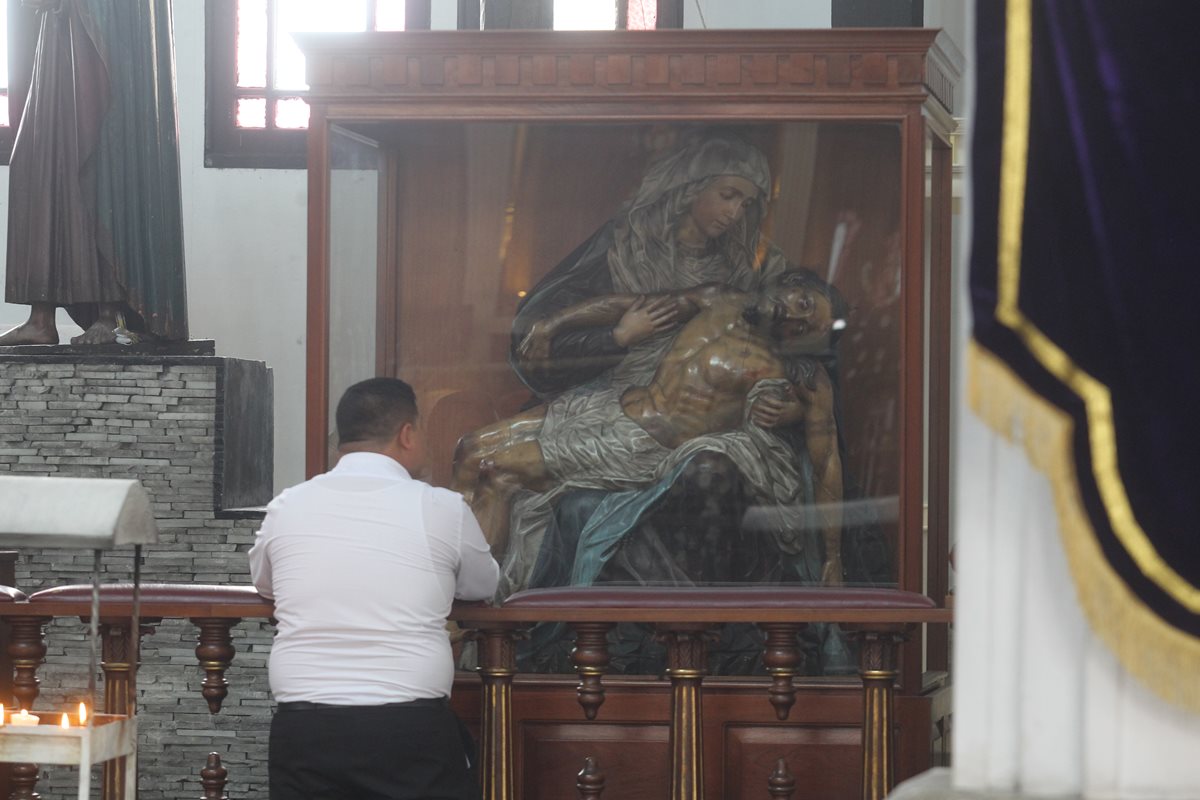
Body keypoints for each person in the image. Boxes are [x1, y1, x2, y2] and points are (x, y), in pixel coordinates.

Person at [455, 270, 848, 590]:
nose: (793, 318)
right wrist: (551, 324)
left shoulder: (795, 375)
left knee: (496, 472)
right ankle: (449, 601)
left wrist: (832, 558)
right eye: (803, 304)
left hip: (638, 444)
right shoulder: (720, 297)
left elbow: (826, 459)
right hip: (604, 406)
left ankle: (478, 618)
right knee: (469, 449)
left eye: (804, 326)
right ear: (794, 284)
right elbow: (627, 306)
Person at [250, 378, 499, 800]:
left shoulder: (288, 506)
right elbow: (483, 583)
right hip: (409, 730)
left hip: (307, 730)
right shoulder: (441, 508)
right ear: (407, 434)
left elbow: (265, 582)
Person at [0, 0, 187, 346]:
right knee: (39, 157)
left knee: (99, 162)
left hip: (99, 33)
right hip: (54, 33)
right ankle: (41, 316)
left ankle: (110, 313)